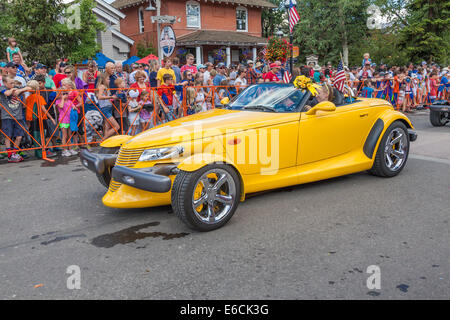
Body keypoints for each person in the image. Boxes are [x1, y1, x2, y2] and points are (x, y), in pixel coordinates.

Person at [0, 76, 31, 162]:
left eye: (13, 82)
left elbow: (29, 87)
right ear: (5, 83)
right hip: (7, 116)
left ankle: (14, 152)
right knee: (8, 136)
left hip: (18, 116)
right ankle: (10, 155)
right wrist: (13, 90)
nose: (13, 84)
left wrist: (19, 90)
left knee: (19, 136)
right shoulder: (2, 87)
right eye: (11, 83)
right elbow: (7, 93)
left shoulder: (16, 87)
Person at [96, 73, 120, 139]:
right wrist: (111, 97)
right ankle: (103, 140)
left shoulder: (105, 87)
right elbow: (100, 97)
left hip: (108, 107)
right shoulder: (102, 86)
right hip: (105, 108)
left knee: (107, 127)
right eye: (108, 79)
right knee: (117, 126)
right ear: (103, 79)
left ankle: (105, 142)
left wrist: (112, 98)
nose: (109, 80)